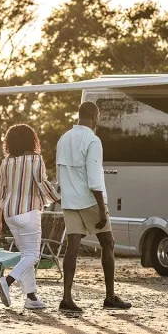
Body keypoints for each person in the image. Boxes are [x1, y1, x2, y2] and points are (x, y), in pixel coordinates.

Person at [55, 101, 132, 313]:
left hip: (69, 201)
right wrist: (101, 208)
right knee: (108, 243)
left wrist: (63, 196)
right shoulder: (93, 140)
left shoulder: (63, 139)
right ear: (94, 116)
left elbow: (59, 173)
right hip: (89, 200)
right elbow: (94, 177)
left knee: (72, 248)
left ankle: (67, 298)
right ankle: (109, 297)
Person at [0, 124, 60, 310]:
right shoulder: (35, 160)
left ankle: (31, 297)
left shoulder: (6, 162)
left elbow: (0, 191)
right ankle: (7, 281)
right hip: (29, 212)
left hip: (9, 213)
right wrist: (59, 199)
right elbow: (42, 183)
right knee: (33, 255)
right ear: (32, 140)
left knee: (25, 255)